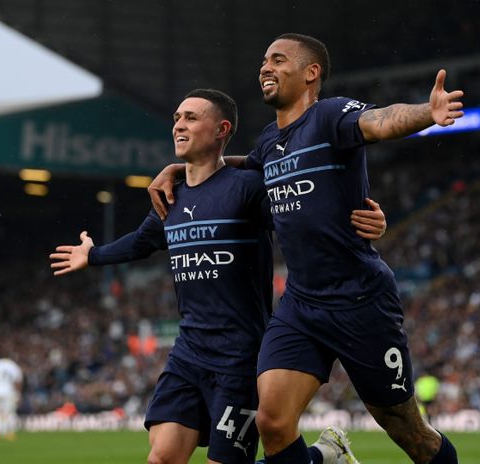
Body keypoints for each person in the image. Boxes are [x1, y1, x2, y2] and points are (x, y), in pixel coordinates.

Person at [147, 33, 464, 463]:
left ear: (311, 72)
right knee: (272, 422)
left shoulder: (330, 116)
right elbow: (232, 170)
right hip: (301, 305)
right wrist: (180, 169)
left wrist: (428, 112)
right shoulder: (267, 143)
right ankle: (330, 456)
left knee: (407, 431)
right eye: (264, 61)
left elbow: (380, 121)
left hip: (359, 299)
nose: (266, 67)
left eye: (279, 60)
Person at [50, 89, 388, 463]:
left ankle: (322, 455)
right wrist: (93, 255)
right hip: (188, 352)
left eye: (191, 118)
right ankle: (325, 455)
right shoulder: (170, 196)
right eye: (177, 118)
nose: (179, 125)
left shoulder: (248, 187)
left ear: (221, 129)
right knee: (161, 458)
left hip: (240, 357)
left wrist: (360, 220)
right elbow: (142, 242)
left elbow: (301, 212)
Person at [0, 356, 23, 441]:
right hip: (9, 392)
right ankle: (9, 432)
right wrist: (18, 394)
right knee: (9, 412)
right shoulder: (14, 365)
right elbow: (18, 381)